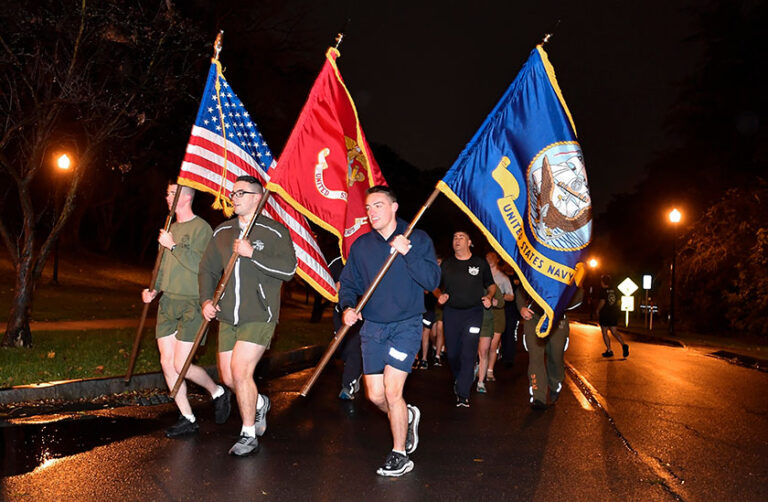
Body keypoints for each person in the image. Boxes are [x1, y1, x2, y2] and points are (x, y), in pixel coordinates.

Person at [339, 185, 440, 477]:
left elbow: (432, 279)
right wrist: (347, 307)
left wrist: (407, 253)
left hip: (406, 325)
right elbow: (349, 285)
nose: (372, 213)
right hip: (373, 327)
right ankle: (405, 417)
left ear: (394, 207)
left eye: (378, 206)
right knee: (375, 395)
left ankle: (399, 454)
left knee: (393, 391)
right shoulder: (362, 246)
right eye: (368, 208)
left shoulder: (416, 239)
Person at [199, 175, 297, 456]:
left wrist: (252, 253)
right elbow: (207, 270)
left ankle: (248, 433)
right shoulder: (223, 232)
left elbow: (288, 271)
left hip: (259, 314)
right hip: (228, 316)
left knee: (242, 371)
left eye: (241, 193)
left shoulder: (275, 232)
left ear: (257, 197)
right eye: (233, 193)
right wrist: (206, 299)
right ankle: (259, 404)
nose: (234, 197)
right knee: (229, 377)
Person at [141, 183, 230, 438]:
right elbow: (162, 266)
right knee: (166, 363)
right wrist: (153, 290)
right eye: (167, 193)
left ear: (187, 196)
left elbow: (201, 267)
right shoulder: (170, 228)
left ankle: (217, 391)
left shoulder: (201, 229)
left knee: (181, 363)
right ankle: (187, 417)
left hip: (193, 302)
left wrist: (173, 246)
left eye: (171, 193)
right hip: (168, 302)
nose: (166, 197)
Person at [437, 231, 496, 407]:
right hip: (452, 313)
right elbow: (435, 286)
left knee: (469, 351)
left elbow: (491, 285)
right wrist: (440, 295)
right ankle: (460, 377)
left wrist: (489, 296)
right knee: (453, 352)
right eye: (454, 237)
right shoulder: (447, 264)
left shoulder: (479, 263)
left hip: (473, 313)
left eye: (461, 237)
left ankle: (463, 393)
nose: (457, 240)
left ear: (469, 242)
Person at [517, 286, 583, 409]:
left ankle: (555, 384)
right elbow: (522, 284)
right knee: (535, 358)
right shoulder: (534, 266)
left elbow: (578, 296)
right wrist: (521, 307)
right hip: (534, 318)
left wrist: (562, 304)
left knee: (556, 357)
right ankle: (538, 397)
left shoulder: (568, 269)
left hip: (557, 320)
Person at [328, 255, 363, 400]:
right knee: (341, 347)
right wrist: (333, 287)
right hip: (340, 313)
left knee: (353, 348)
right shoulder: (337, 262)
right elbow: (325, 282)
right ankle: (356, 369)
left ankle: (348, 385)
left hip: (360, 314)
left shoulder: (364, 259)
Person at [484, 251, 514, 381]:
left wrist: (500, 298)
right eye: (487, 257)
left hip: (497, 314)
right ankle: (480, 367)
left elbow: (511, 296)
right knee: (482, 345)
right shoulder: (482, 276)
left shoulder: (503, 278)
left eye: (492, 257)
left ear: (497, 260)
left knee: (493, 345)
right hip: (483, 313)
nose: (490, 259)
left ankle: (490, 371)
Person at [476, 286, 504, 393]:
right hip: (471, 318)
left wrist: (492, 301)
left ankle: (481, 382)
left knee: (484, 351)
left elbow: (501, 303)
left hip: (487, 321)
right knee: (471, 350)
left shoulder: (492, 286)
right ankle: (471, 369)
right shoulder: (469, 279)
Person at [596, 274, 629, 358]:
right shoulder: (615, 291)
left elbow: (602, 302)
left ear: (603, 282)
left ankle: (609, 350)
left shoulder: (603, 291)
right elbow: (618, 302)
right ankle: (623, 345)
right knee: (614, 332)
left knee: (604, 332)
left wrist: (598, 310)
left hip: (605, 314)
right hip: (613, 314)